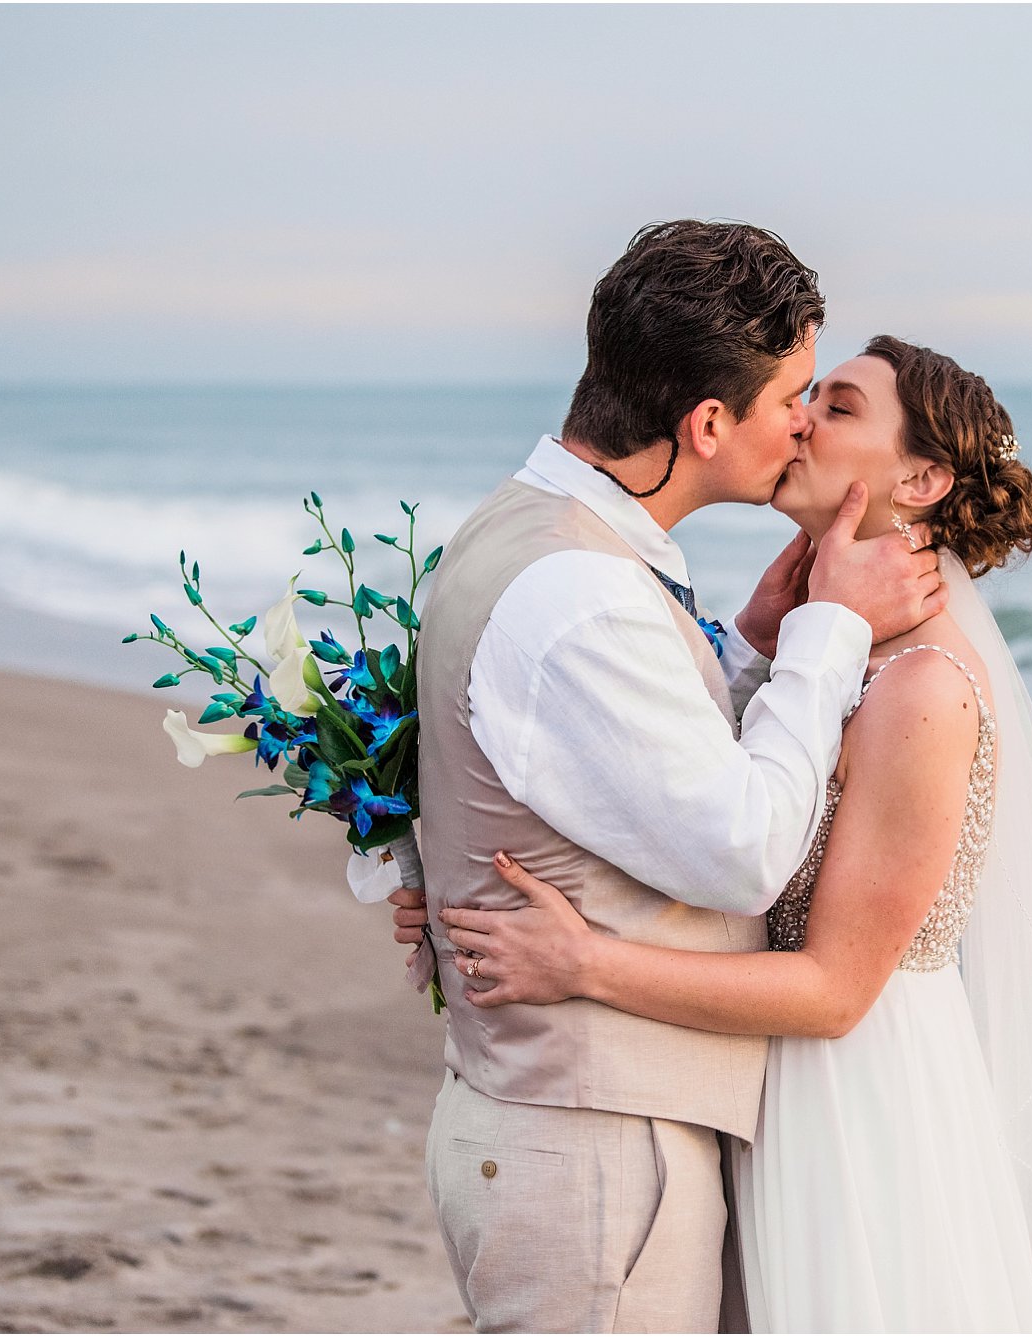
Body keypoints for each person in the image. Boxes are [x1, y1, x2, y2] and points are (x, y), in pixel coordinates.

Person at [431, 336, 1032, 1332]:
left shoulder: (921, 688)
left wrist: (583, 961)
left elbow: (833, 989)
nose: (798, 420)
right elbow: (680, 799)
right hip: (759, 1087)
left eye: (836, 407)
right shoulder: (825, 646)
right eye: (804, 397)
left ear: (917, 477)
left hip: (855, 1108)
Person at [372, 222, 948, 1334]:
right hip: (591, 1144)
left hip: (588, 1129)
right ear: (707, 423)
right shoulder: (577, 591)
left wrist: (744, 644)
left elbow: (593, 758)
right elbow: (740, 851)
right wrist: (828, 632)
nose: (800, 421)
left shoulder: (540, 535)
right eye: (792, 397)